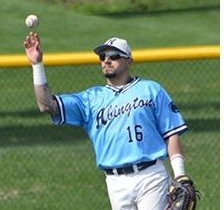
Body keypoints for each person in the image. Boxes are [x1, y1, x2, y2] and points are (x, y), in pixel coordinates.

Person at [24, 33, 193, 209]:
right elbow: (46, 105)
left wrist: (180, 175)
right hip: (115, 183)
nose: (106, 60)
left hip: (151, 176)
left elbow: (171, 133)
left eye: (114, 56)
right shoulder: (90, 99)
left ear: (129, 61)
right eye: (103, 56)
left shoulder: (151, 90)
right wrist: (37, 65)